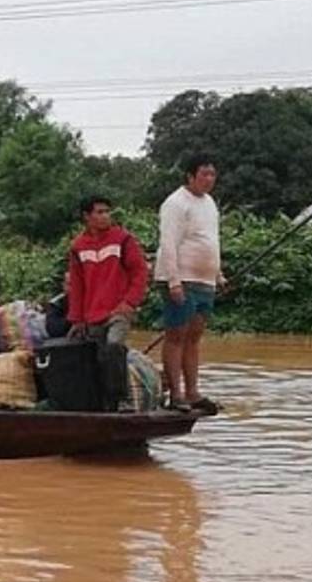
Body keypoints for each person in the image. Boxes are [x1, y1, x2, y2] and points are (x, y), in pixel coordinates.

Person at [154, 155, 225, 414]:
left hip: (205, 280)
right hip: (181, 278)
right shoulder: (175, 203)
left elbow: (211, 240)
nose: (209, 179)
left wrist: (217, 275)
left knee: (194, 337)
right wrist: (173, 282)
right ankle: (176, 393)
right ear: (190, 176)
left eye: (212, 174)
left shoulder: (210, 203)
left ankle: (193, 391)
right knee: (176, 336)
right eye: (204, 174)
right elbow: (169, 243)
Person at [67, 195, 150, 405]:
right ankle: (101, 403)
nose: (105, 216)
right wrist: (76, 319)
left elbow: (140, 273)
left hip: (118, 311)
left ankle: (122, 400)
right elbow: (77, 286)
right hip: (91, 314)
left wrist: (129, 302)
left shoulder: (123, 239)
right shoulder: (78, 246)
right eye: (100, 212)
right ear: (87, 216)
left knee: (113, 346)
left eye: (107, 212)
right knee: (96, 358)